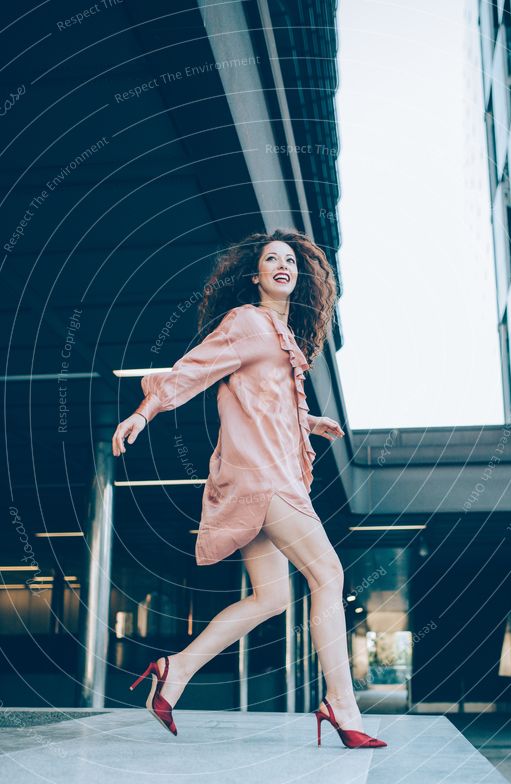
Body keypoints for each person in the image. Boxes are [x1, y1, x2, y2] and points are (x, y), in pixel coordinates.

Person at [112, 228, 387, 748]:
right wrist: (144, 412)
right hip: (264, 476)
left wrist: (310, 422)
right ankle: (341, 704)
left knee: (273, 596)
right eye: (271, 258)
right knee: (327, 573)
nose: (282, 263)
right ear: (256, 275)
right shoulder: (246, 322)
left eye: (290, 259)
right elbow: (192, 371)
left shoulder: (284, 338)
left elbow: (263, 403)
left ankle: (176, 669)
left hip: (269, 472)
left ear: (299, 276)